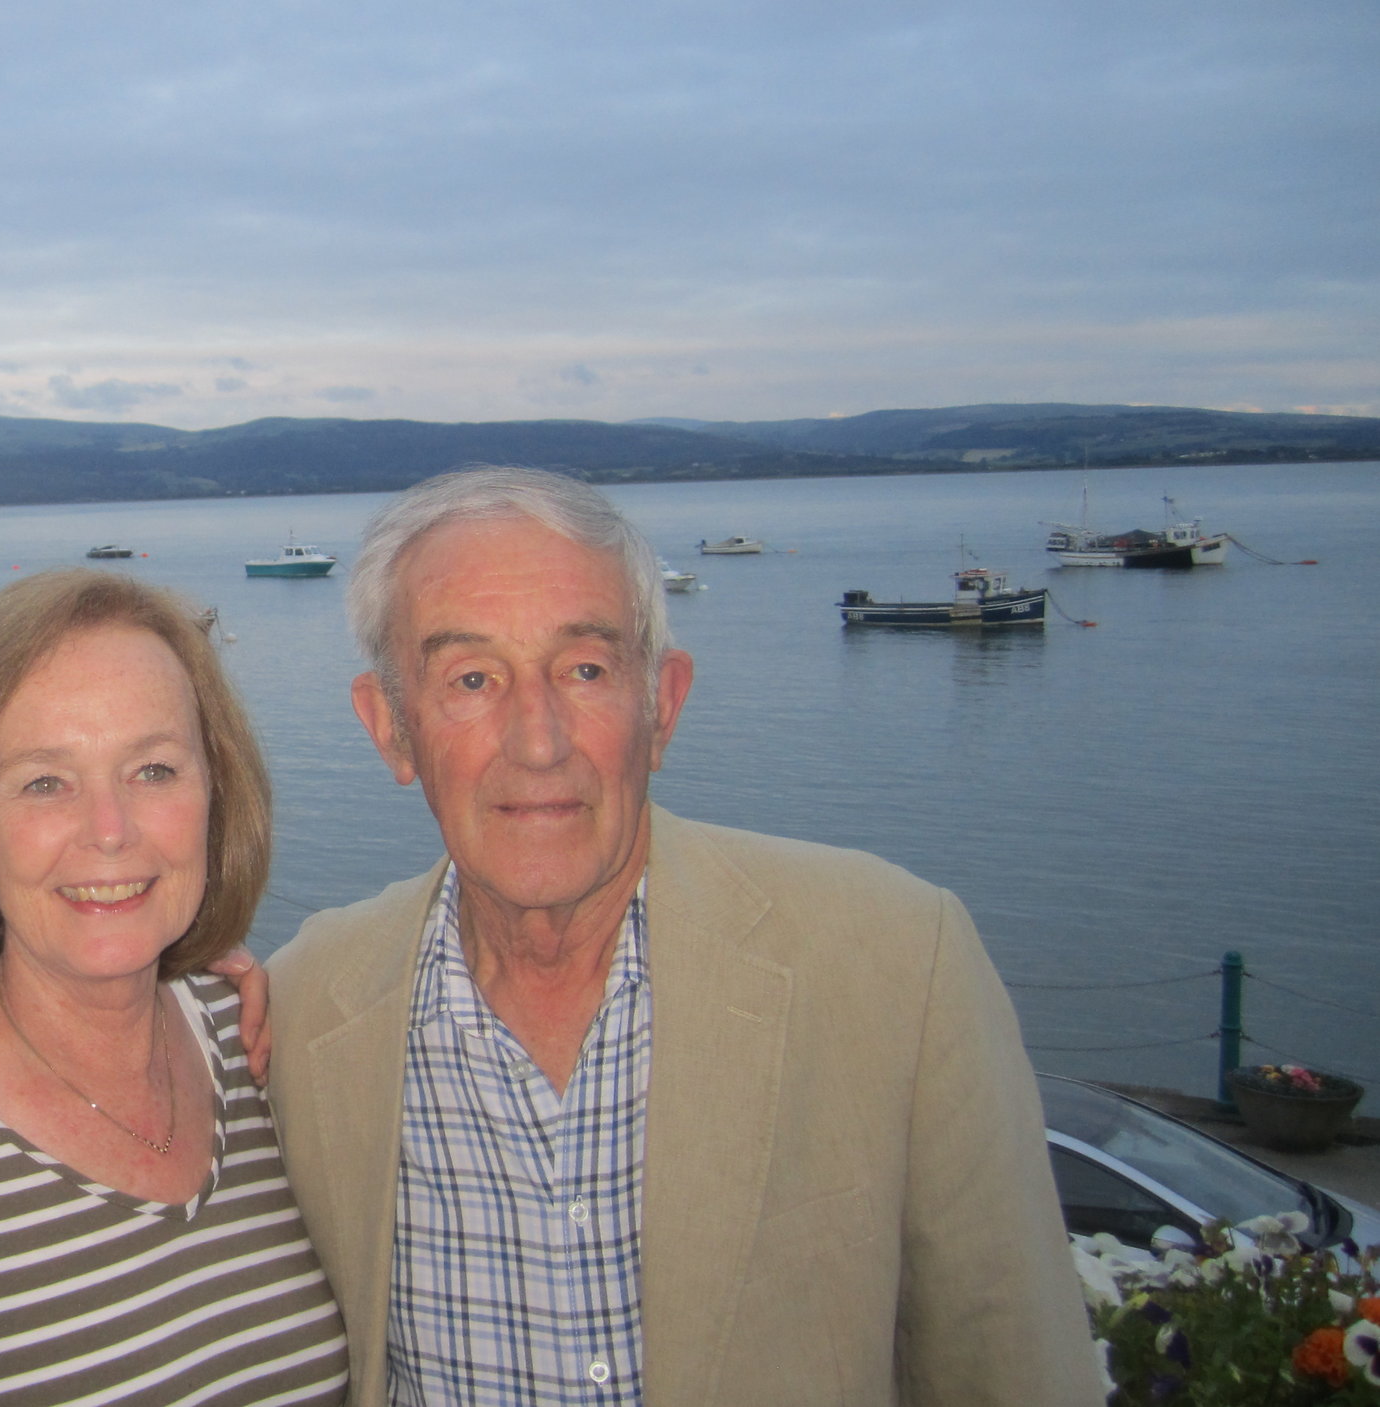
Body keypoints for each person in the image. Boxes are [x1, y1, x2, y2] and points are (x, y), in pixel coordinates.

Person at [265, 467, 1097, 1406]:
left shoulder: (899, 964)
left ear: (662, 704)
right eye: (471, 678)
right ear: (392, 731)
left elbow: (1014, 1367)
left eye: (585, 669)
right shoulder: (302, 1009)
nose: (537, 740)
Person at [0, 570, 348, 1406]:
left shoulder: (259, 1045)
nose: (110, 829)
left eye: (153, 769)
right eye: (44, 781)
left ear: (214, 791)